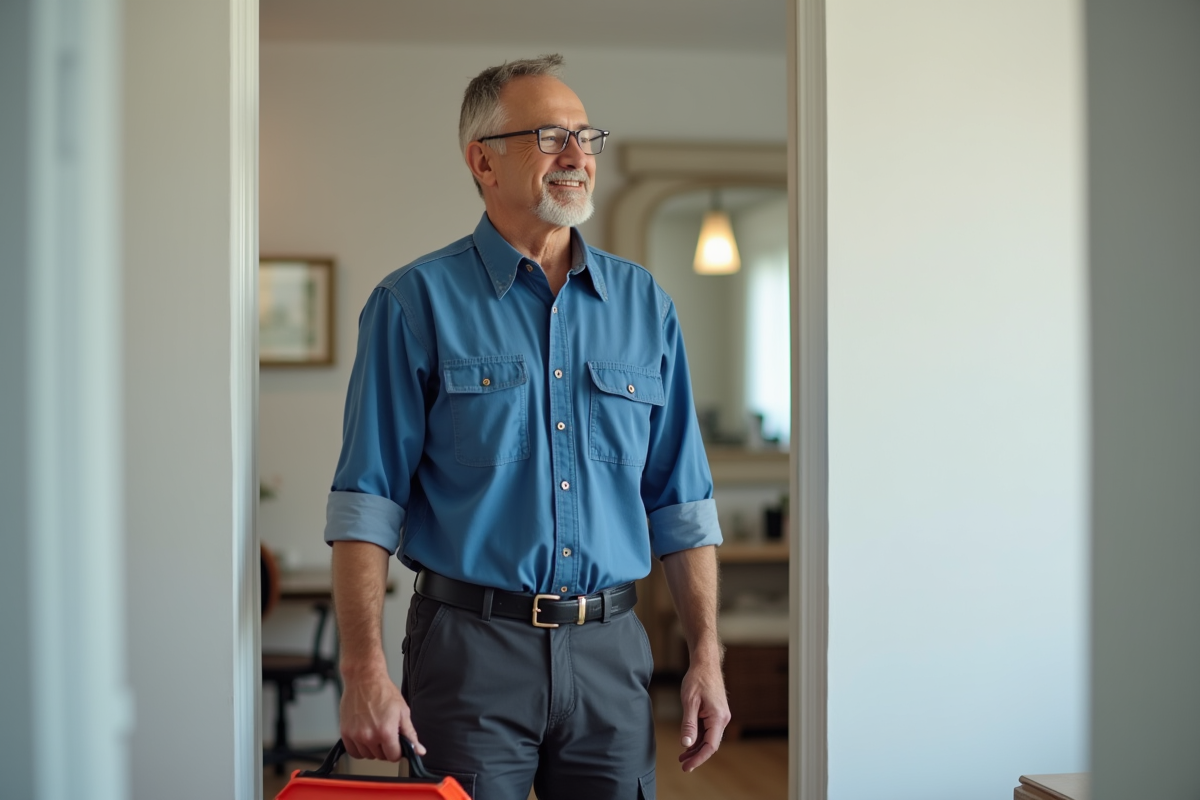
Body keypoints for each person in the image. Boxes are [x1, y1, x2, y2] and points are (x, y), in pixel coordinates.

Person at [324, 54, 729, 800]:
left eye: (585, 136)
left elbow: (682, 504)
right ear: (483, 160)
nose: (576, 156)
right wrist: (363, 672)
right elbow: (365, 502)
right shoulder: (413, 303)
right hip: (468, 652)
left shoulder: (647, 307)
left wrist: (706, 654)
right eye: (548, 136)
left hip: (611, 653)